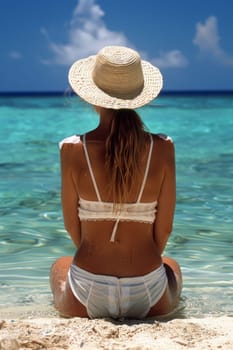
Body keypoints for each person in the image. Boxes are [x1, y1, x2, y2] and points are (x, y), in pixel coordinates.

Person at [50, 46, 182, 319]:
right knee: (171, 265)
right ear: (138, 97)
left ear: (92, 97)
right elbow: (165, 229)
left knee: (60, 265)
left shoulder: (73, 149)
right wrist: (138, 263)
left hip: (88, 289)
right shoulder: (163, 148)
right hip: (147, 288)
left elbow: (71, 226)